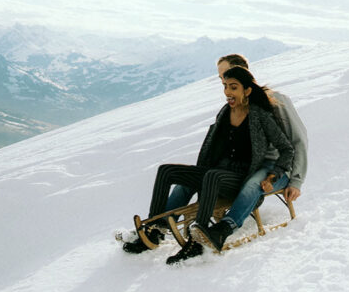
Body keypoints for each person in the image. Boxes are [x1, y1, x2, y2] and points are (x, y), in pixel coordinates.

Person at [122, 65, 294, 263]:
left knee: (212, 175)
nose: (227, 92)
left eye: (233, 87)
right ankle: (156, 228)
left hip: (238, 178)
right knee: (166, 170)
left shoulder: (261, 116)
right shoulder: (225, 112)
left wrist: (274, 175)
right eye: (225, 86)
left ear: (247, 90)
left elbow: (287, 149)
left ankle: (198, 239)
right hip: (218, 171)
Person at [216, 54, 308, 205]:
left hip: (274, 167)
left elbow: (298, 139)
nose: (224, 81)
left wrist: (296, 181)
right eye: (221, 78)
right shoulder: (234, 106)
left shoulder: (274, 100)